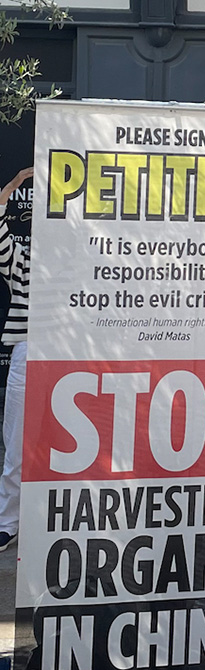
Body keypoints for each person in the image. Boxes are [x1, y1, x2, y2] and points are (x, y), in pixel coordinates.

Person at [0, 167, 32, 550]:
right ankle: (8, 521)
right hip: (27, 349)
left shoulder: (83, 263)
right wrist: (11, 188)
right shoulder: (24, 261)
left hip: (74, 353)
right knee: (16, 438)